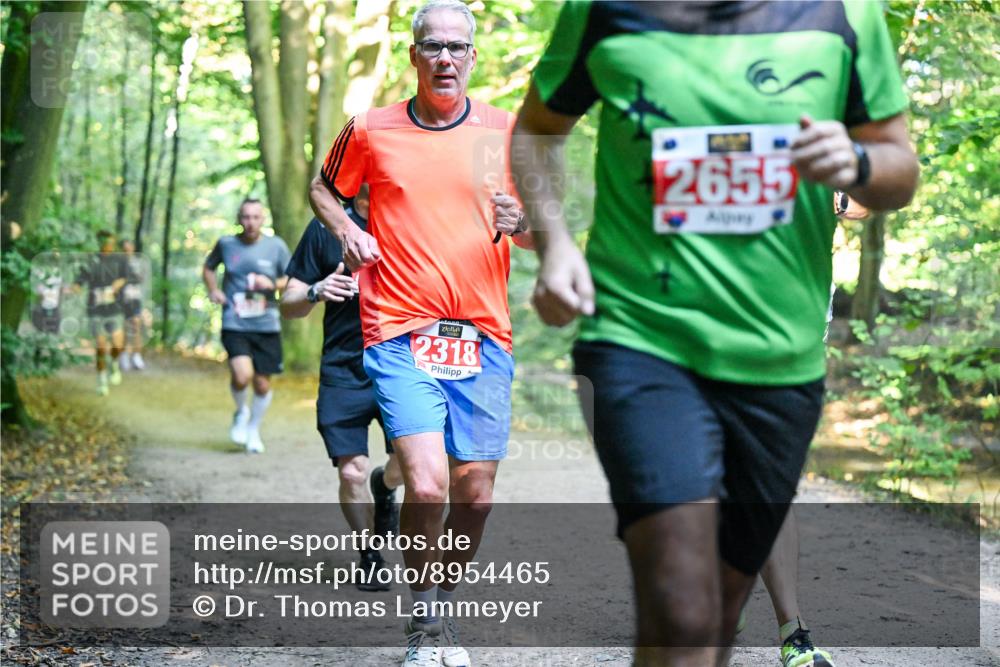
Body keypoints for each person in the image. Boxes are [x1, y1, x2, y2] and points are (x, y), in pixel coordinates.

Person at [512, 2, 919, 666]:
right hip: (638, 336)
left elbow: (900, 165)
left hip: (779, 361)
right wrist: (555, 242)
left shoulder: (845, 14)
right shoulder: (604, 8)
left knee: (718, 616)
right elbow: (536, 129)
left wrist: (857, 162)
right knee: (682, 606)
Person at [309, 1, 530, 664]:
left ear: (472, 57)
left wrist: (522, 220)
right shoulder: (371, 129)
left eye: (456, 47)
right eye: (431, 45)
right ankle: (425, 624)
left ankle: (441, 603)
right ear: (413, 55)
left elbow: (546, 231)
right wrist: (348, 227)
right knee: (428, 484)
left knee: (476, 494)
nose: (444, 57)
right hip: (399, 330)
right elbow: (323, 188)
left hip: (484, 334)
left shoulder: (505, 132)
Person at [281, 184, 405, 591]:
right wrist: (317, 291)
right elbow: (291, 301)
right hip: (343, 369)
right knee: (351, 471)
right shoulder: (325, 228)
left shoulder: (411, 222)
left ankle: (384, 487)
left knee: (407, 465)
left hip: (402, 368)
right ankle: (369, 554)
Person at [203, 198, 291, 454]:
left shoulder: (276, 246)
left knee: (262, 384)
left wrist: (272, 284)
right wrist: (213, 291)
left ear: (263, 219)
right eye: (245, 217)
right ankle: (241, 411)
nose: (250, 222)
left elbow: (292, 278)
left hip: (266, 323)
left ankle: (253, 428)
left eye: (255, 217)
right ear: (238, 219)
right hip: (235, 321)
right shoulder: (227, 244)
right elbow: (209, 268)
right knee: (242, 376)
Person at [75, 230, 128, 396]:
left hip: (114, 307)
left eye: (111, 243)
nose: (108, 247)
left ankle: (114, 363)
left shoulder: (119, 260)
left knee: (118, 344)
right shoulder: (91, 261)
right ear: (100, 243)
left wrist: (115, 287)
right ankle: (102, 380)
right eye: (105, 243)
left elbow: (125, 277)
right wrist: (71, 289)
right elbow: (79, 282)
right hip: (95, 309)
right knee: (100, 346)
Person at [118, 239, 147, 371]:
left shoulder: (138, 262)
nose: (127, 251)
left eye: (128, 248)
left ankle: (136, 355)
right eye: (124, 249)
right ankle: (123, 355)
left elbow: (141, 278)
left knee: (136, 325)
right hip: (123, 299)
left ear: (133, 248)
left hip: (135, 298)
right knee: (124, 327)